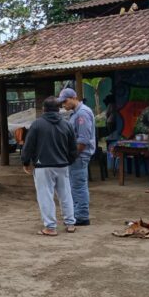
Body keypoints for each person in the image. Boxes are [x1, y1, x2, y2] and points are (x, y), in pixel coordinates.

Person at [21, 96, 78, 236]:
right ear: (58, 109)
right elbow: (73, 148)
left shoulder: (37, 124)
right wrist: (68, 161)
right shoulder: (67, 125)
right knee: (66, 194)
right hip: (63, 165)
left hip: (43, 166)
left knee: (45, 196)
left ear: (44, 109)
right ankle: (70, 223)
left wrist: (25, 162)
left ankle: (50, 227)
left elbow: (28, 146)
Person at [58, 88, 96, 226]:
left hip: (79, 156)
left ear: (74, 97)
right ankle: (77, 213)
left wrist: (72, 156)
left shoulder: (82, 114)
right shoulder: (76, 113)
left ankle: (82, 216)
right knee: (75, 186)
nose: (63, 104)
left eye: (65, 101)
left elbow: (83, 140)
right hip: (76, 156)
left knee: (78, 186)